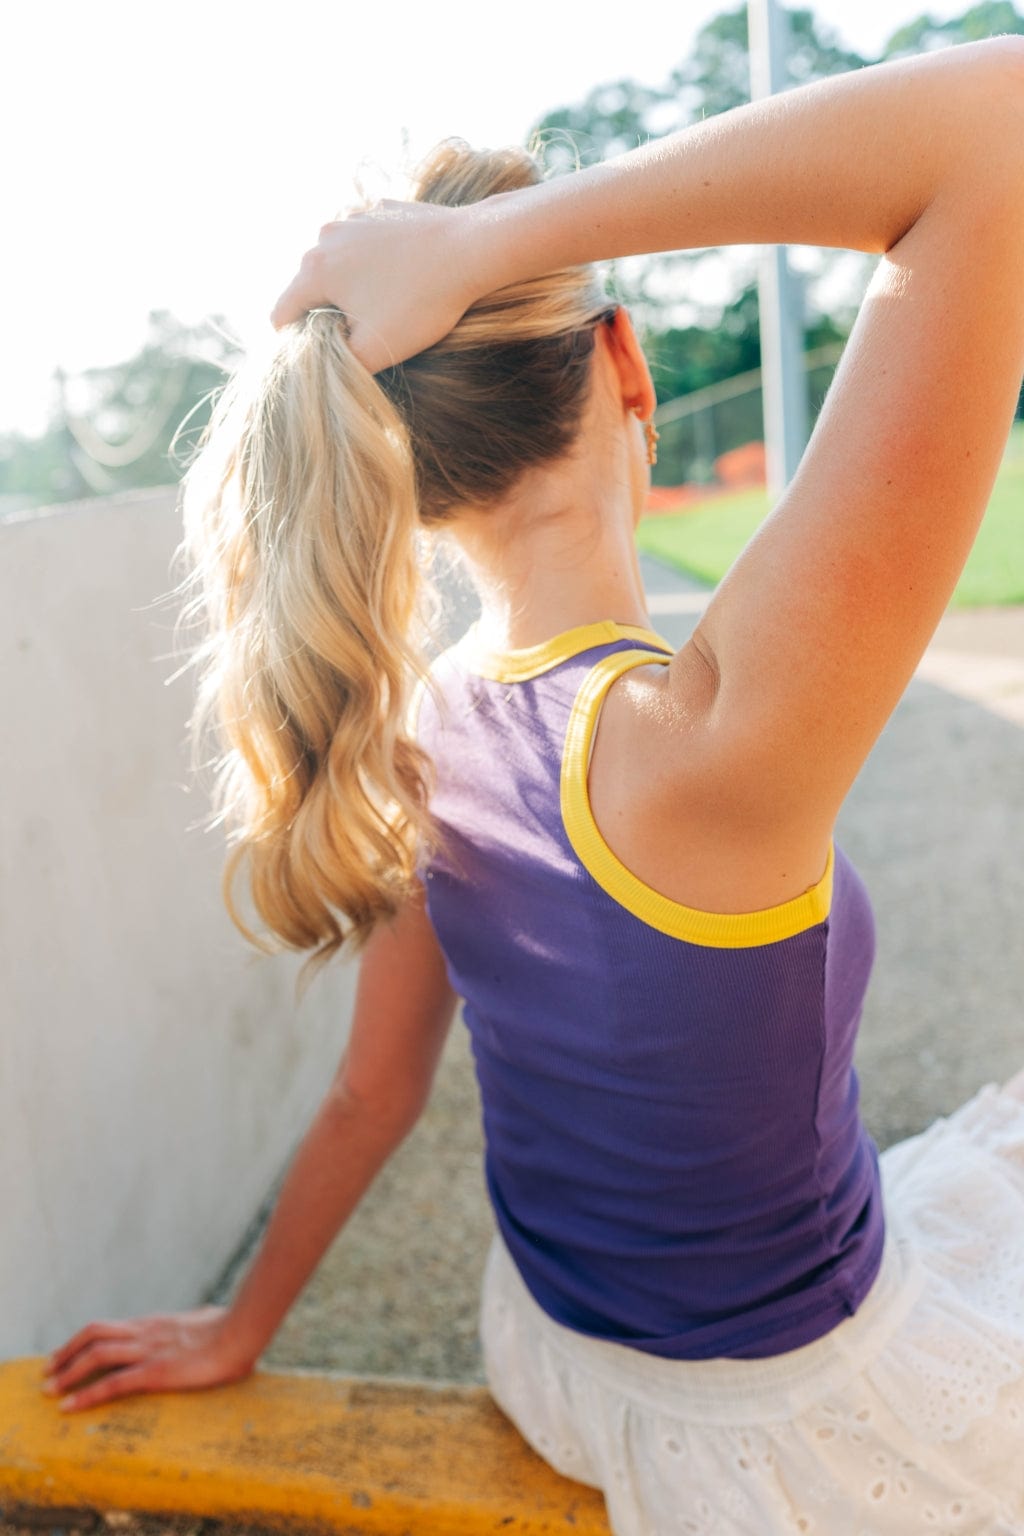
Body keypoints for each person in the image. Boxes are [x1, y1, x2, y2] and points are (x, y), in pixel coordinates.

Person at [42, 34, 1024, 1534]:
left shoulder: (430, 720)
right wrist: (486, 244)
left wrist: (244, 1329)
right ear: (626, 364)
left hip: (556, 1355)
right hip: (783, 1433)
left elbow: (377, 1089)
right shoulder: (708, 739)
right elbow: (998, 117)